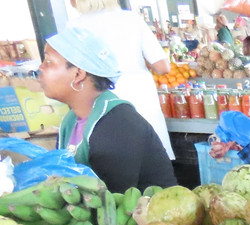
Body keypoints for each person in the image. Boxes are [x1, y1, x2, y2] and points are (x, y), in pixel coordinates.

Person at [40, 27, 176, 192]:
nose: (40, 68)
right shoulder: (70, 122)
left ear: (78, 74)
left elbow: (112, 202)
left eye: (48, 61)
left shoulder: (117, 125)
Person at [62, 0, 174, 160]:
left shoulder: (74, 28)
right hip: (140, 99)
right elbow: (162, 66)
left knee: (116, 169)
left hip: (103, 106)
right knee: (154, 164)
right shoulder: (132, 19)